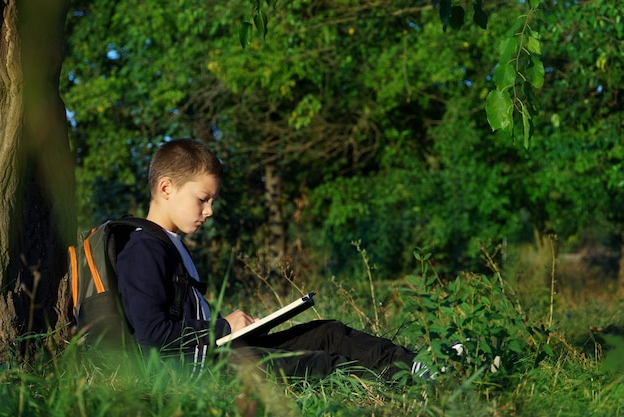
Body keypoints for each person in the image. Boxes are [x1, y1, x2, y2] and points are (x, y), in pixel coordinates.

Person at [117, 138, 445, 380]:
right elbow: (151, 335)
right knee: (321, 363)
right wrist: (224, 326)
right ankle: (409, 382)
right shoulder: (143, 249)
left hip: (222, 352)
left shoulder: (169, 245)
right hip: (204, 369)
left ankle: (422, 363)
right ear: (166, 188)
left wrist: (235, 330)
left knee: (327, 331)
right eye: (203, 199)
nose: (210, 210)